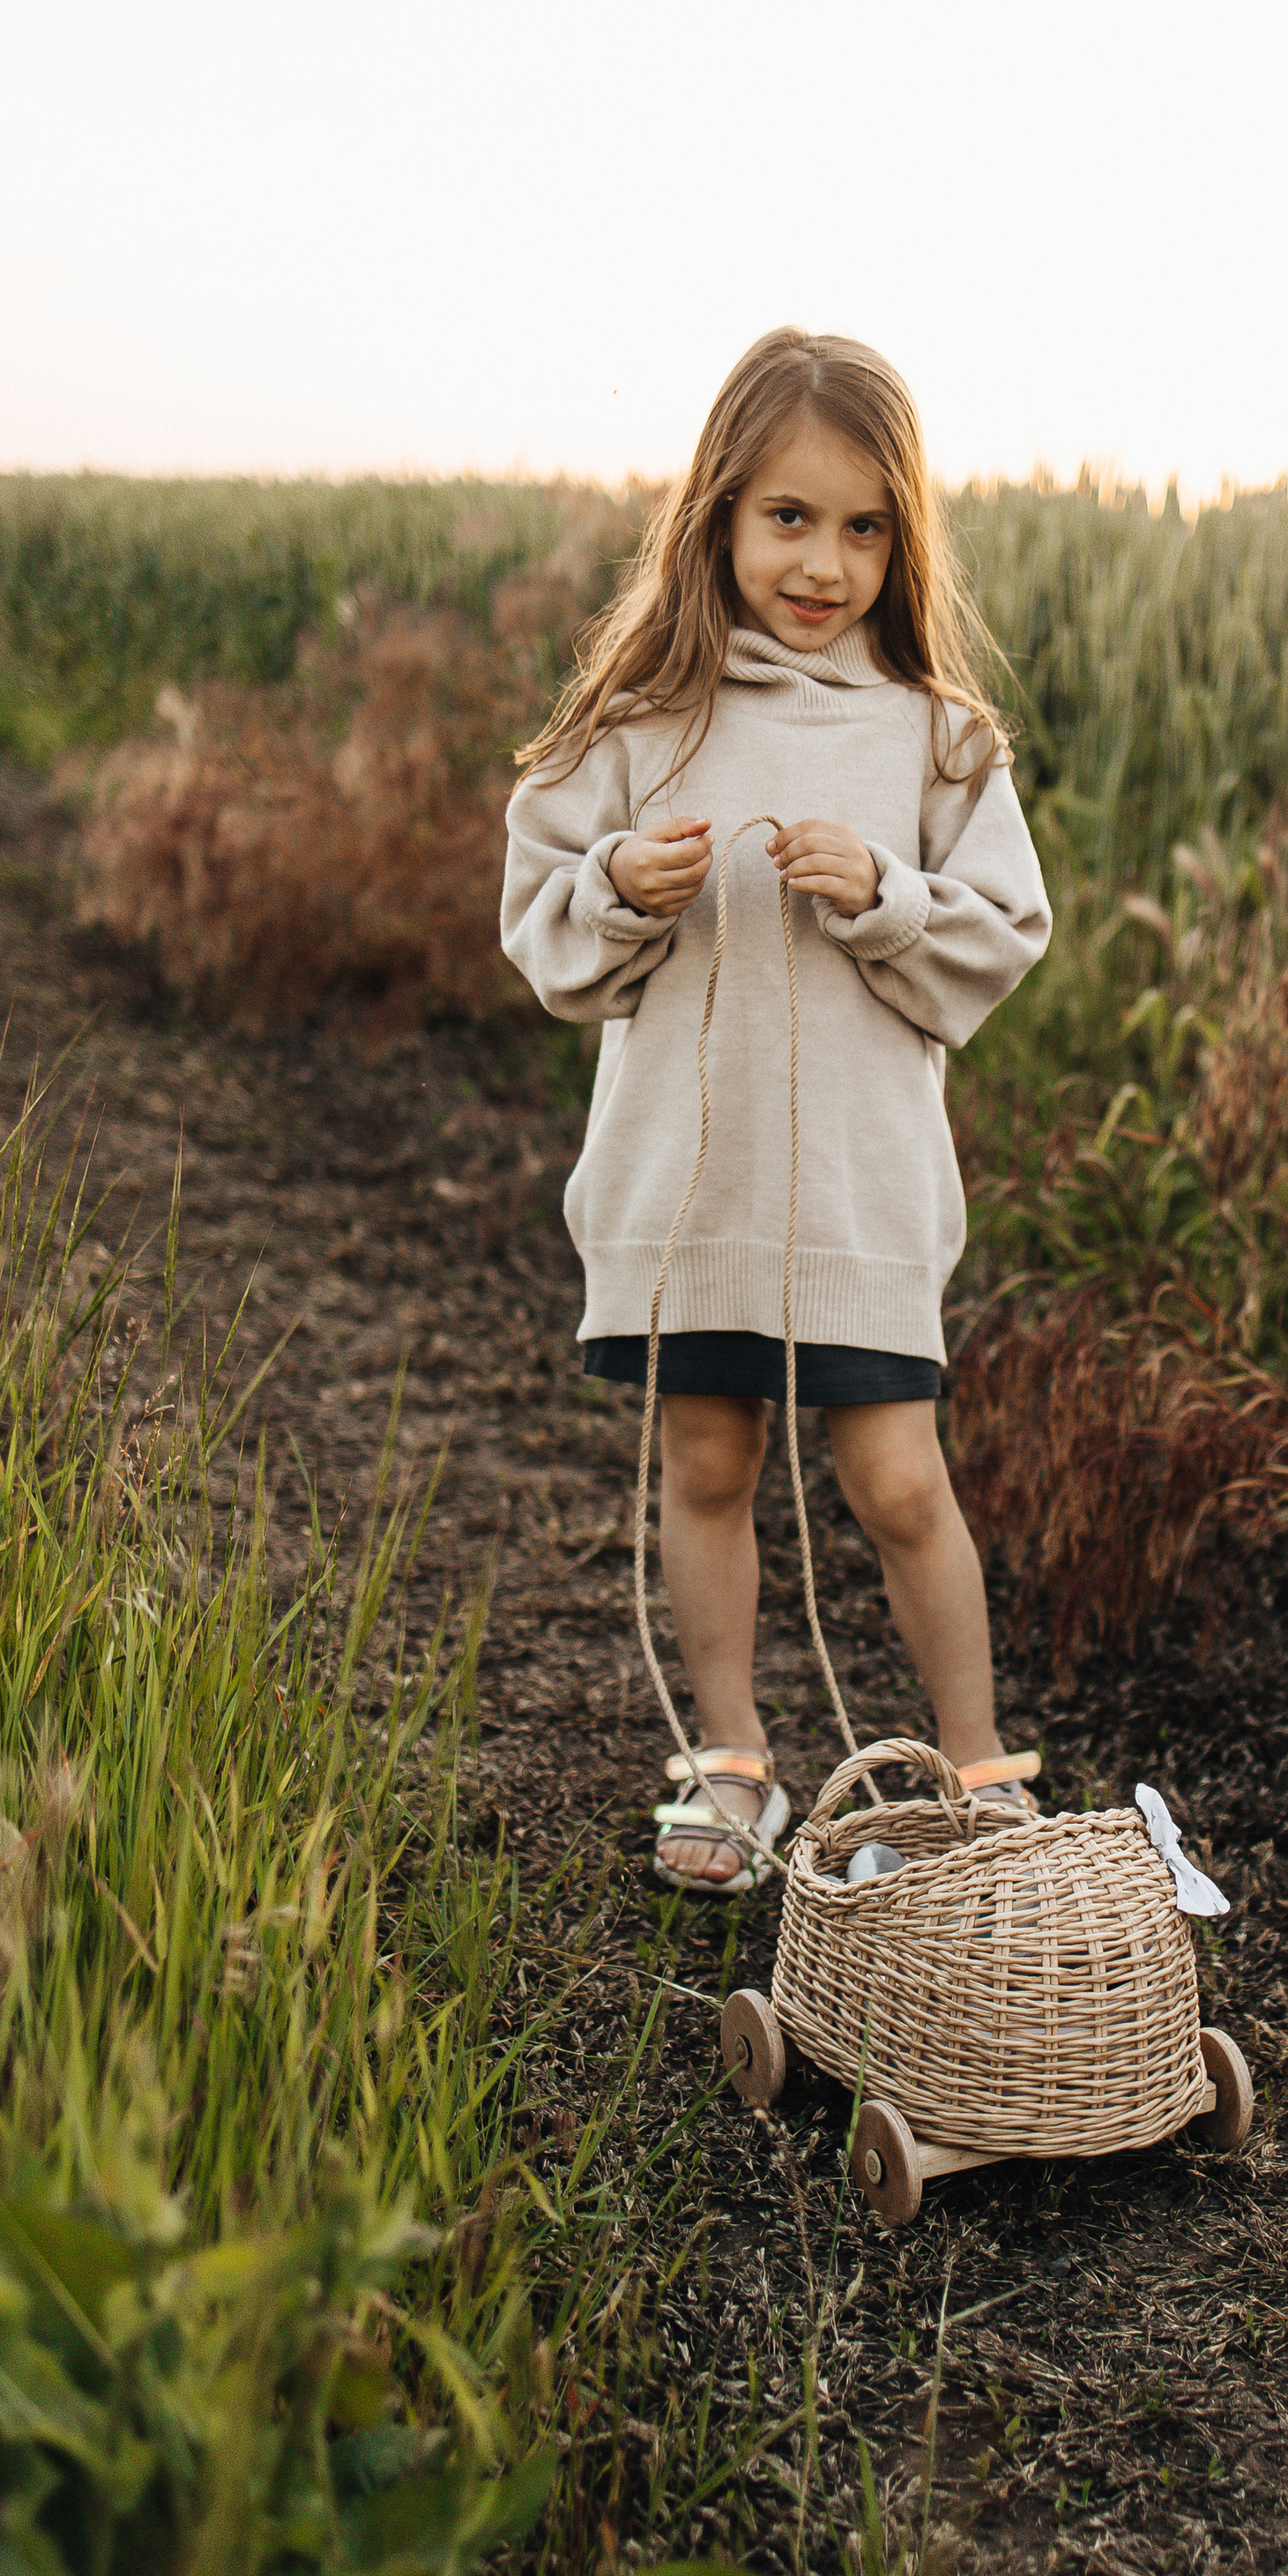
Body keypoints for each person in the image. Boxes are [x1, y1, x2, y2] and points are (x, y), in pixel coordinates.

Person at [501, 329, 1053, 1893]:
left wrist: (887, 894)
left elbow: (1001, 936)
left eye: (865, 527)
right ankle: (734, 1761)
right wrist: (620, 882)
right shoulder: (639, 721)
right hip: (690, 1184)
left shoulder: (937, 736)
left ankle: (981, 1779)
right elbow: (543, 928)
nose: (823, 563)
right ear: (721, 515)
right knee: (710, 1464)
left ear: (904, 543)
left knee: (898, 1481)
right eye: (789, 518)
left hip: (862, 1193)